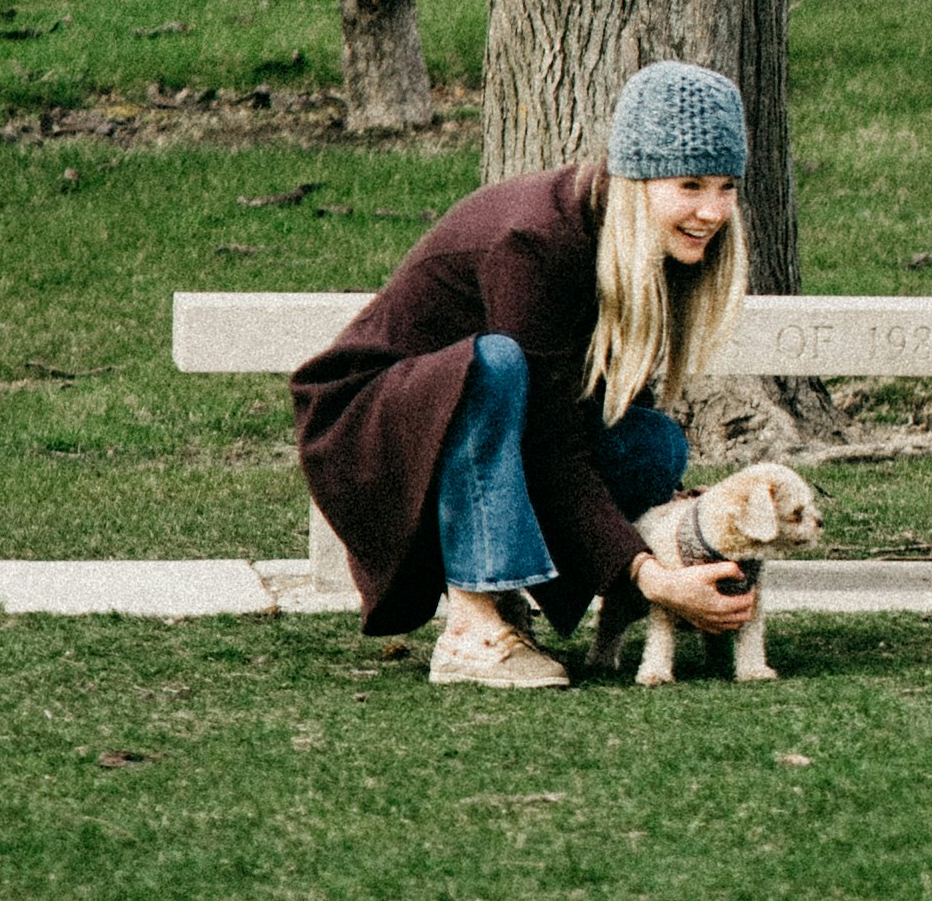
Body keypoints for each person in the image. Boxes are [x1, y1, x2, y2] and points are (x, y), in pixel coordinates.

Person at [294, 59, 769, 689]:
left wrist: (675, 540)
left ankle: (519, 590)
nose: (711, 211)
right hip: (370, 429)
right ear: (637, 180)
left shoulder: (648, 245)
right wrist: (652, 574)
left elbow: (583, 417)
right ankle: (473, 624)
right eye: (690, 184)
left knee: (654, 443)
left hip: (488, 425)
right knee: (495, 364)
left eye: (725, 186)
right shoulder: (537, 242)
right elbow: (547, 442)